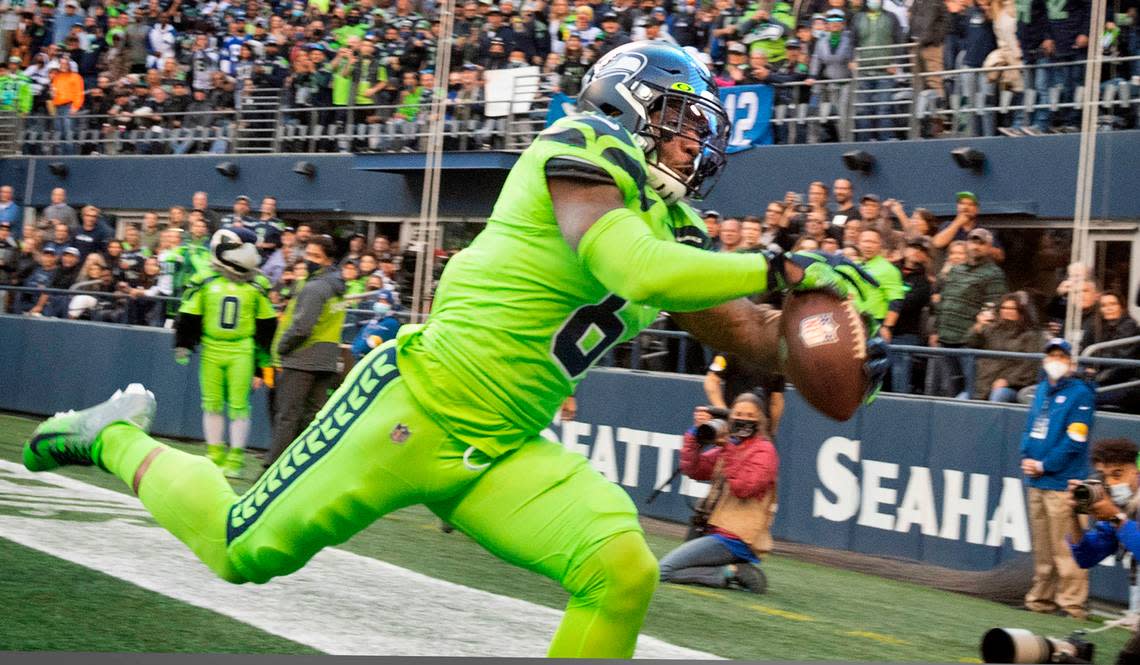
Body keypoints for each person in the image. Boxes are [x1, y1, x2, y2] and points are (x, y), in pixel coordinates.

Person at [21, 43, 883, 659]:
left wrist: (848, 351)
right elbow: (625, 261)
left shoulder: (677, 222)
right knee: (242, 548)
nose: (695, 145)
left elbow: (750, 334)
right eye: (680, 121)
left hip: (502, 447)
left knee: (620, 568)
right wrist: (775, 260)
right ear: (630, 103)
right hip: (415, 404)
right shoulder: (578, 146)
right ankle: (112, 435)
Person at [174, 228, 278, 479]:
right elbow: (189, 314)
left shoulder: (256, 283)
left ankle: (236, 455)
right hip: (212, 347)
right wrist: (184, 342)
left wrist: (261, 362)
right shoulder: (206, 280)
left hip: (241, 348)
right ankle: (215, 453)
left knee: (239, 406)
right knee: (211, 404)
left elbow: (266, 324)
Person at [658, 394, 778, 594]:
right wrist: (694, 435)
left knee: (662, 571)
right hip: (715, 532)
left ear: (760, 420)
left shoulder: (765, 451)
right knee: (668, 569)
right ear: (731, 417)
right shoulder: (732, 446)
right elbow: (694, 469)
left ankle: (728, 572)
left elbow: (744, 488)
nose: (744, 418)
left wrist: (728, 448)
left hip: (737, 537)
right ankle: (732, 571)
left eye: (750, 414)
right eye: (739, 413)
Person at [1021, 337, 1095, 620]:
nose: (1055, 360)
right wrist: (1025, 455)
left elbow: (1075, 439)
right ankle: (1041, 599)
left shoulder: (1081, 393)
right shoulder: (1042, 389)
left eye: (1061, 356)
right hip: (1038, 482)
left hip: (1065, 483)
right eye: (1051, 355)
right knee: (1043, 550)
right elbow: (1030, 428)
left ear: (1071, 362)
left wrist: (1044, 464)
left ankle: (1072, 605)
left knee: (1068, 549)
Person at [263, 234, 346, 469]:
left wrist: (282, 347)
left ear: (328, 260)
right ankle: (304, 470)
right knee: (312, 419)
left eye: (315, 256)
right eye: (308, 254)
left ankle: (273, 470)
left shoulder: (314, 287)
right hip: (326, 361)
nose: (309, 260)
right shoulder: (339, 288)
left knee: (287, 417)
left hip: (301, 359)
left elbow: (302, 327)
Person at [1067, 438, 1140, 663]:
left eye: (1118, 474)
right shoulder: (1121, 509)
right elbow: (1086, 557)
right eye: (1104, 476)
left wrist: (1116, 518)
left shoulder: (1118, 513)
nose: (1110, 483)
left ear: (1137, 471)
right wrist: (1073, 515)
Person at [962, 291, 1043, 402]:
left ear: (1020, 311)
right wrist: (978, 327)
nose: (1006, 311)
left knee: (998, 396)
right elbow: (971, 343)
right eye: (1003, 308)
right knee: (960, 399)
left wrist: (1007, 381)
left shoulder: (1030, 335)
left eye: (1011, 308)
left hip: (1013, 386)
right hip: (983, 384)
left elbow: (1029, 366)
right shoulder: (992, 329)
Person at [704, 353, 785, 437]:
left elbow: (776, 399)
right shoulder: (776, 358)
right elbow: (712, 380)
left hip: (741, 425)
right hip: (753, 427)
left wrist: (723, 412)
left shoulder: (730, 350)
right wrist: (771, 430)